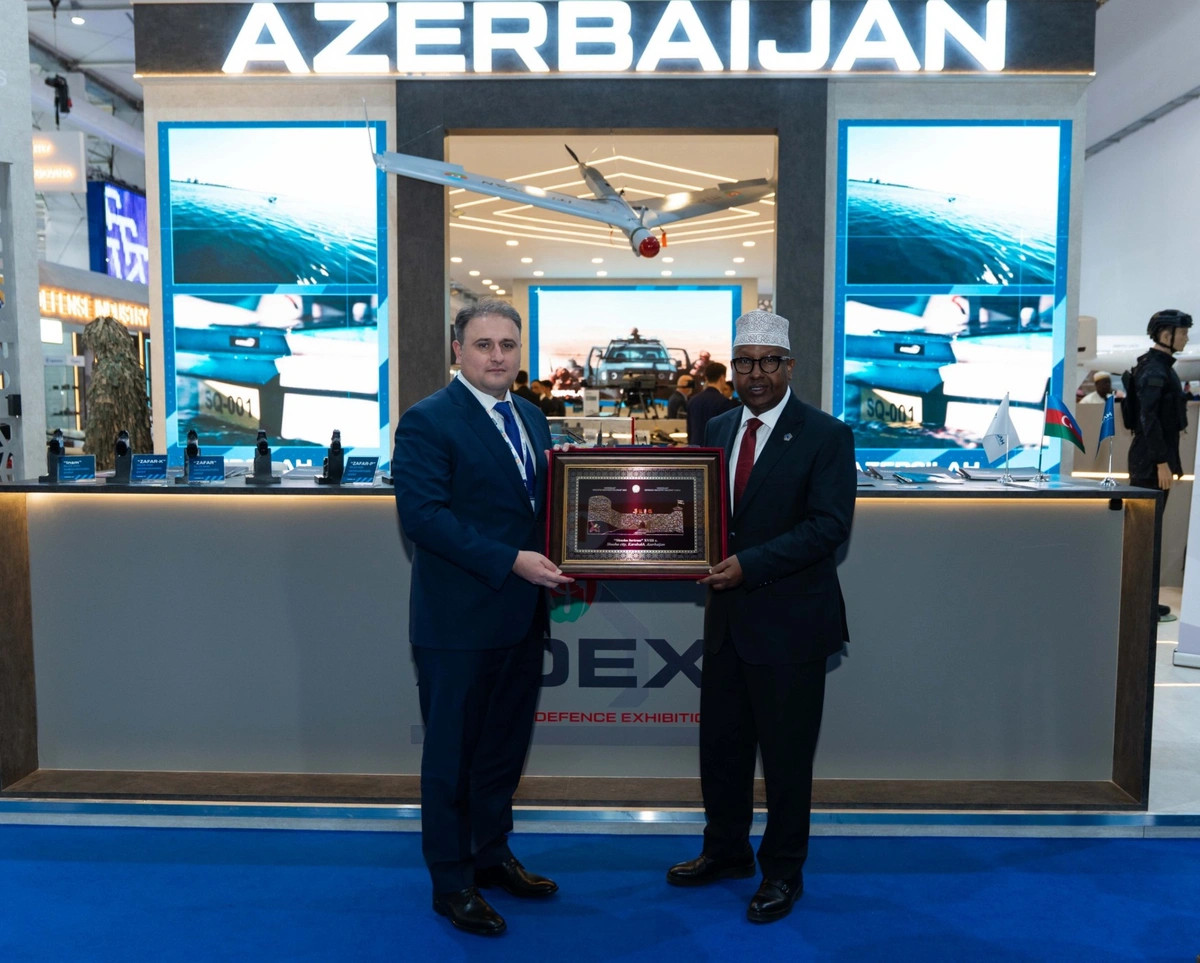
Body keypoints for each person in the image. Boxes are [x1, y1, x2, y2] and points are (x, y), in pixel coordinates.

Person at [667, 310, 856, 925]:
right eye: (745, 362)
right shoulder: (719, 427)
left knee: (785, 759)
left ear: (789, 366)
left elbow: (828, 527)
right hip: (727, 622)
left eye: (768, 362)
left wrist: (749, 565)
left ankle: (782, 872)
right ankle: (725, 852)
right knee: (721, 751)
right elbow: (703, 512)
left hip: (791, 623)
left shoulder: (826, 435)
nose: (756, 374)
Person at [392, 300, 572, 937]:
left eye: (507, 345)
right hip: (458, 622)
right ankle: (452, 882)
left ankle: (492, 857)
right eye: (483, 344)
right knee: (452, 758)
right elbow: (424, 518)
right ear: (457, 351)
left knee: (502, 751)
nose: (497, 356)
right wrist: (512, 561)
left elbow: (540, 507)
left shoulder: (531, 417)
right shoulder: (427, 420)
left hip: (521, 618)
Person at [1127, 308, 1191, 621]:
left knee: (1149, 536)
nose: (1187, 338)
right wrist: (1161, 462)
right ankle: (1140, 605)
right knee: (1144, 537)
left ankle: (1146, 602)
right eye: (1183, 333)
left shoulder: (1160, 367)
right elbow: (1147, 418)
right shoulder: (1154, 369)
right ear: (1166, 335)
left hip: (1153, 462)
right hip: (1150, 465)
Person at [686, 361, 738, 444]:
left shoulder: (693, 400)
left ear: (706, 378)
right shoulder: (724, 402)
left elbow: (690, 430)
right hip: (714, 449)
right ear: (722, 378)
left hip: (695, 449)